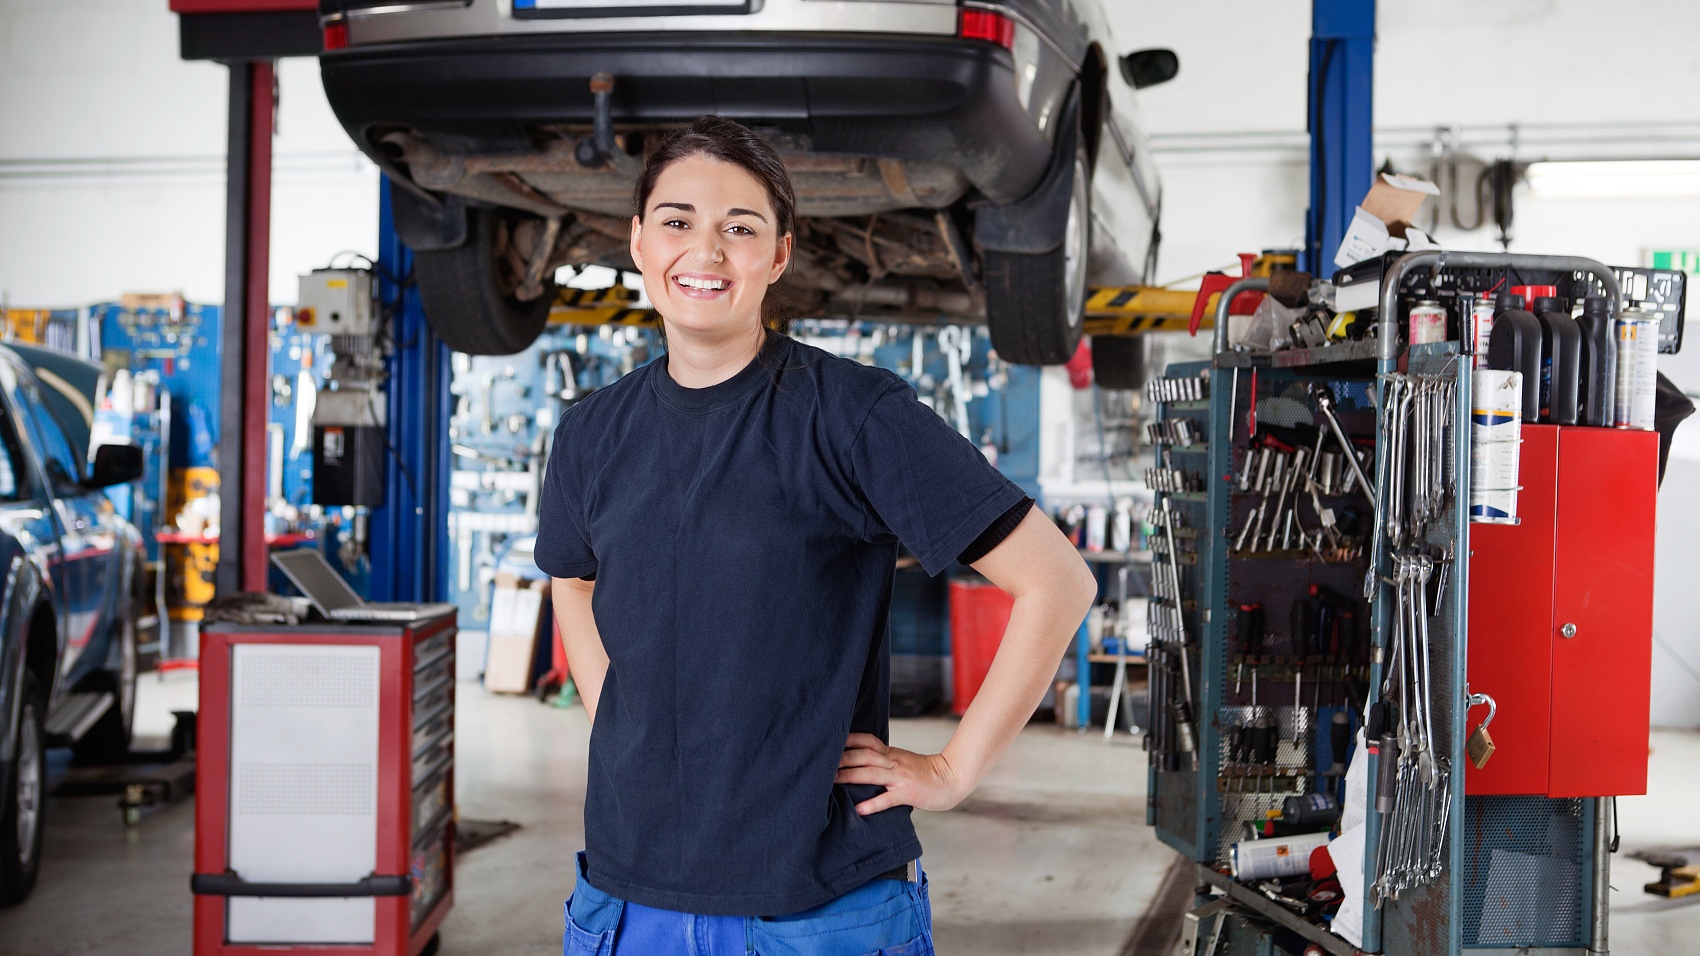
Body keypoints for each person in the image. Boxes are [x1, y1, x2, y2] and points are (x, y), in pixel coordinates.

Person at [537, 115, 1096, 956]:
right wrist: (623, 726)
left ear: (780, 256)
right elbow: (572, 579)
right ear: (639, 241)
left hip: (816, 907)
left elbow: (1057, 580)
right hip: (626, 899)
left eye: (741, 228)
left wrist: (951, 771)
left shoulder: (854, 415)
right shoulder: (589, 434)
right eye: (679, 222)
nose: (707, 251)